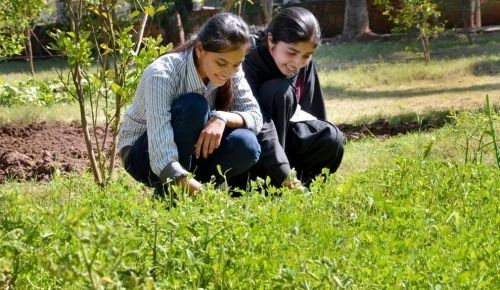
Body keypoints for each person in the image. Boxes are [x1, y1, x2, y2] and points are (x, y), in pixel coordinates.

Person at [118, 13, 263, 197]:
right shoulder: (162, 73)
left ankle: (191, 189)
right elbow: (160, 155)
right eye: (221, 62)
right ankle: (172, 196)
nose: (229, 72)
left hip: (191, 151)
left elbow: (255, 117)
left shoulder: (233, 70)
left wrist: (221, 118)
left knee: (247, 144)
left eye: (236, 64)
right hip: (144, 156)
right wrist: (206, 197)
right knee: (194, 106)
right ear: (200, 49)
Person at [243, 7, 344, 188]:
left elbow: (313, 113)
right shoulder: (249, 58)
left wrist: (322, 143)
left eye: (306, 55)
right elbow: (259, 122)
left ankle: (302, 187)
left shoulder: (304, 64)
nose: (297, 63)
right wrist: (283, 172)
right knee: (278, 91)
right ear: (271, 40)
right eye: (291, 52)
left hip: (286, 140)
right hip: (254, 144)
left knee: (332, 137)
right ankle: (269, 186)